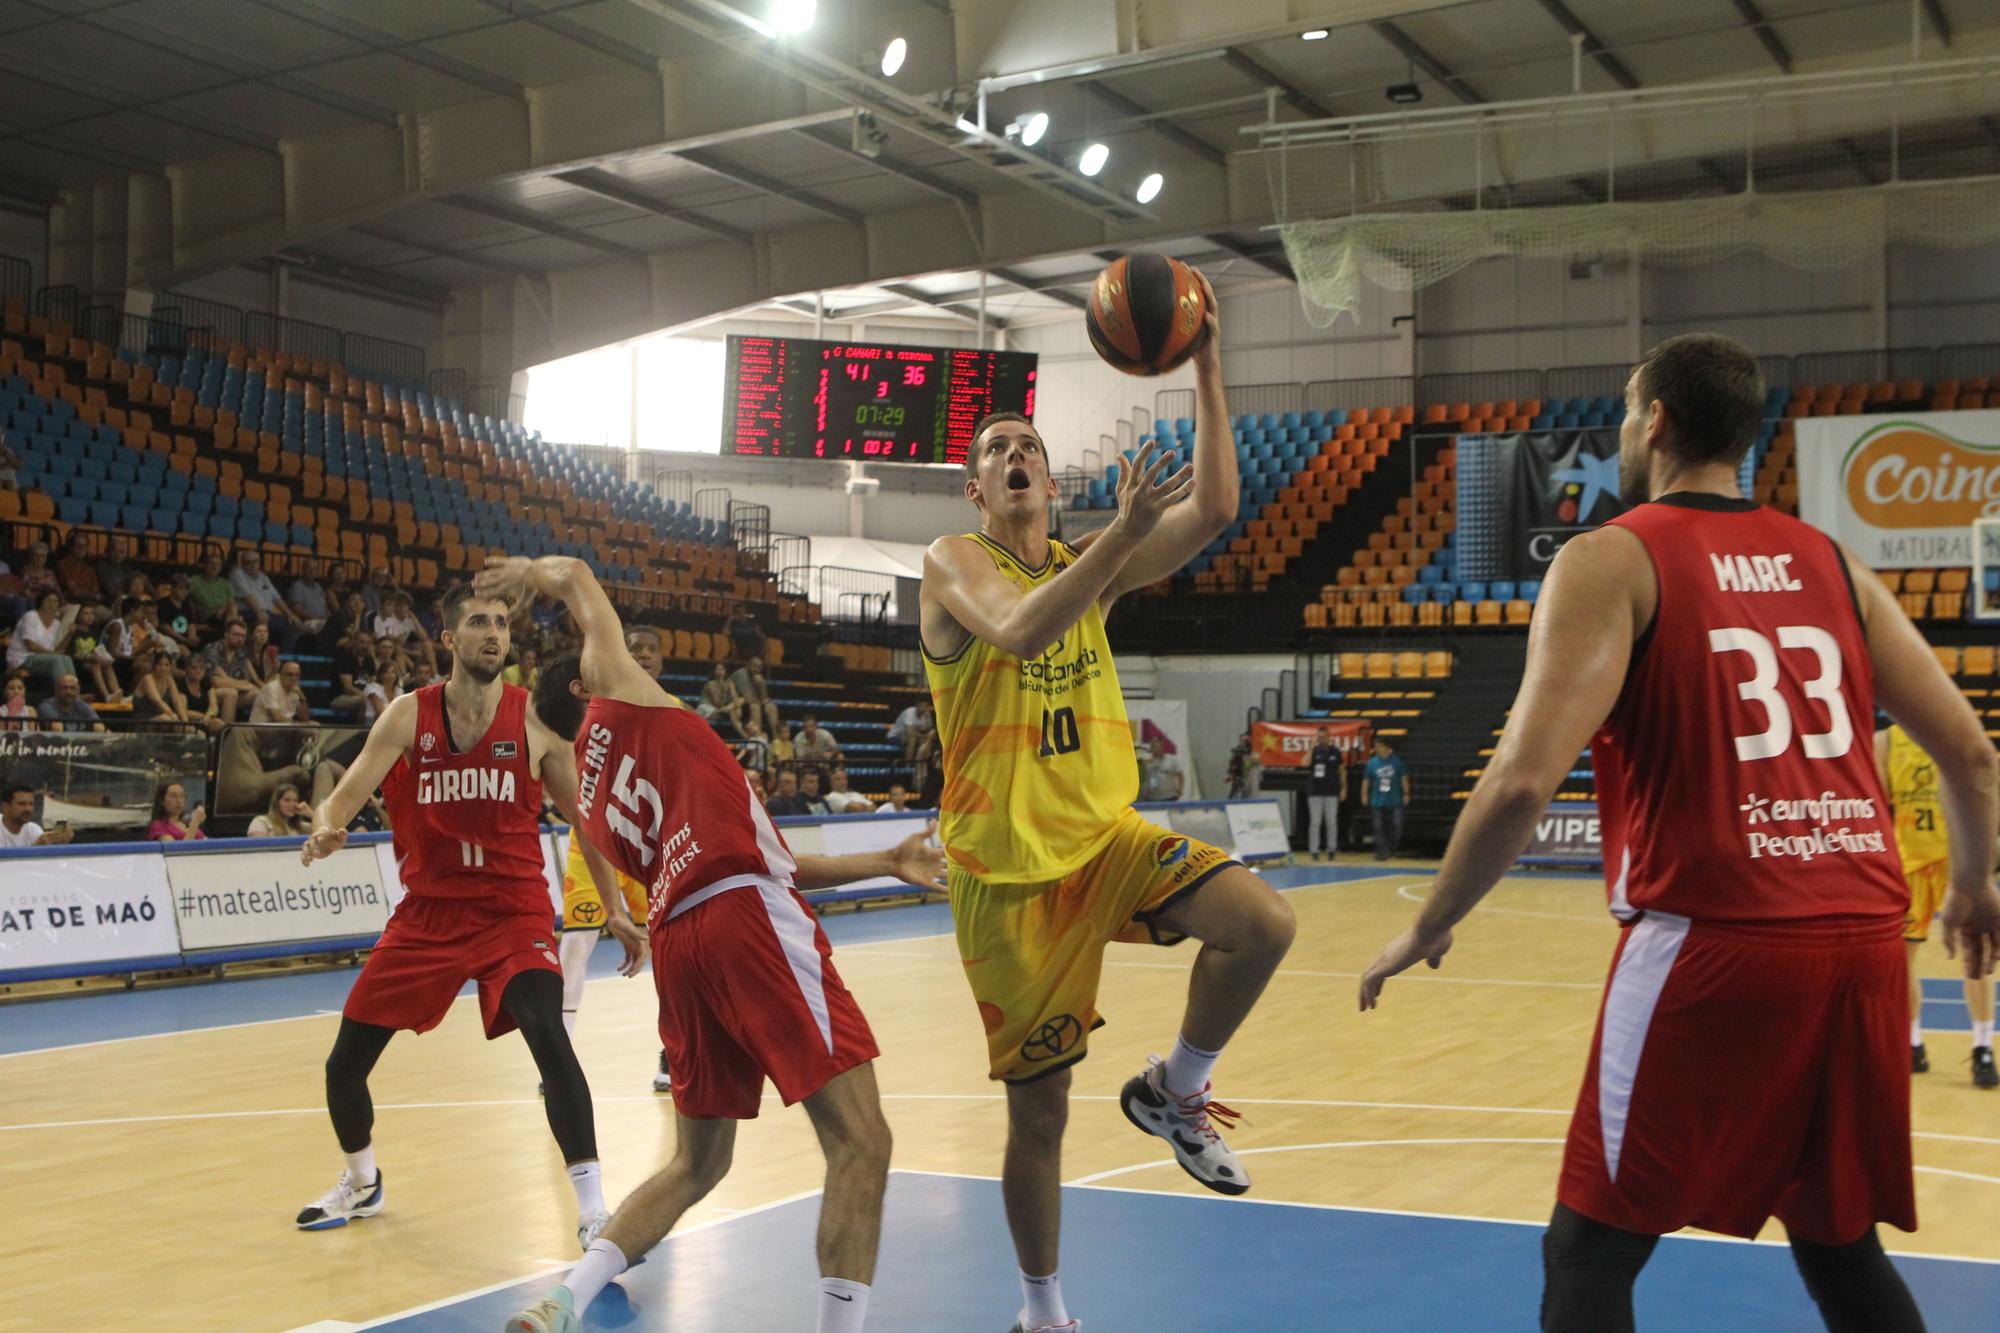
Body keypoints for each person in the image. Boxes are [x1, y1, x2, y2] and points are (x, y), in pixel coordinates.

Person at [1357, 333, 2000, 1333]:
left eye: (1624, 406)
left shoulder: (1609, 556)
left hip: (1716, 938)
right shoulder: (1827, 559)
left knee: (1587, 1249)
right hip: (1866, 944)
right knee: (1836, 1243)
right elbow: (1969, 755)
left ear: (1652, 418)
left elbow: (1524, 778)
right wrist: (1967, 886)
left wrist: (1429, 921)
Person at [917, 278, 1297, 1333]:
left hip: (1107, 842)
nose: (1013, 455)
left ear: (1049, 472)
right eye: (994, 450)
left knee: (1262, 922)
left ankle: (1173, 1086)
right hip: (1008, 882)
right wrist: (1123, 533)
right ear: (976, 489)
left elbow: (1216, 510)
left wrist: (1207, 364)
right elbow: (1023, 632)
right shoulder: (954, 562)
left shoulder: (1094, 567)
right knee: (1038, 1114)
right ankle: (1042, 1312)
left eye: (1026, 442)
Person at [476, 553, 943, 1333]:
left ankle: (566, 1297)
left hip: (683, 941)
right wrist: (533, 572)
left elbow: (770, 862)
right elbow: (582, 579)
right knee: (863, 1139)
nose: (647, 660)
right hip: (743, 921)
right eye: (634, 655)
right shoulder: (625, 699)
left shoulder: (592, 802)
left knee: (699, 1161)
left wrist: (885, 861)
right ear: (588, 684)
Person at [292, 584, 643, 1250]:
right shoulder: (406, 715)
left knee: (547, 1030)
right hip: (427, 915)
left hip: (513, 911)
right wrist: (326, 827)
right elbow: (341, 797)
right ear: (449, 640)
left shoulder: (537, 721)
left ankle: (595, 1208)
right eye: (479, 623)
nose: (494, 633)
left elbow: (588, 824)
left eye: (502, 625)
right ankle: (362, 1180)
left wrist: (616, 909)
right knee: (344, 1065)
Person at [1878, 723, 1998, 1088]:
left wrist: (1983, 864)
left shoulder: (1956, 733)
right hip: (1909, 865)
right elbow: (1878, 808)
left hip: (1957, 863)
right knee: (1903, 961)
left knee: (1975, 958)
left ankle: (1982, 1048)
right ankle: (1913, 1042)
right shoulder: (1884, 742)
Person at [556, 825, 673, 1094]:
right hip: (593, 832)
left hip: (646, 833)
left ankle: (674, 1053)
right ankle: (559, 1058)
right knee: (575, 944)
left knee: (665, 944)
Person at [196, 620, 260, 723]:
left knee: (257, 693)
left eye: (243, 636)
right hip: (206, 695)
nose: (240, 639)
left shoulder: (241, 654)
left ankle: (252, 734)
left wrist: (225, 678)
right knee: (231, 693)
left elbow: (247, 683)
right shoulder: (212, 650)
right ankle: (225, 735)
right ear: (226, 634)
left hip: (232, 696)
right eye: (236, 635)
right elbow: (215, 682)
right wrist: (236, 683)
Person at [7, 590, 77, 684]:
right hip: (23, 658)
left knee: (66, 658)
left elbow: (59, 649)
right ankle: (64, 692)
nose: (52, 604)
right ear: (41, 602)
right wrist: (53, 654)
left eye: (55, 601)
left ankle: (74, 691)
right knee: (58, 660)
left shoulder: (56, 624)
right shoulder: (30, 616)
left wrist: (69, 634)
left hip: (44, 658)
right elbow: (31, 645)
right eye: (48, 600)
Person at [1363, 737, 1409, 860]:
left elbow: (1403, 778)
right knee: (1378, 826)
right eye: (1376, 746)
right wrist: (1364, 794)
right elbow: (1366, 780)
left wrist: (1406, 793)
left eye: (1379, 746)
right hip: (1378, 799)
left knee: (1397, 824)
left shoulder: (1397, 762)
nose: (1377, 749)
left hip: (1394, 799)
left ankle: (1391, 847)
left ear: (1386, 747)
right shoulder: (1372, 763)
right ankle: (1382, 851)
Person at [70, 605, 124, 704]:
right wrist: (91, 657)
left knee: (107, 664)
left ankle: (117, 693)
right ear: (78, 617)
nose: (90, 616)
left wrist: (105, 657)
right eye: (85, 613)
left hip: (92, 660)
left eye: (92, 614)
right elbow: (72, 654)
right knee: (95, 665)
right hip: (78, 662)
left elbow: (95, 650)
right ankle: (106, 696)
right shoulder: (74, 632)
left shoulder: (93, 633)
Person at [1304, 727, 1342, 859]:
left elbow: (1342, 770)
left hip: (1331, 791)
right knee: (1315, 822)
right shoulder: (1314, 751)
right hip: (1315, 791)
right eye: (1318, 737)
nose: (1320, 740)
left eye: (1323, 737)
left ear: (1328, 737)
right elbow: (1305, 763)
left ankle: (1331, 849)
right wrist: (1310, 748)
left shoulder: (1335, 752)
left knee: (1331, 821)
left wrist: (1344, 788)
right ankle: (1314, 850)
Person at [0, 783, 73, 847]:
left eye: (31, 804)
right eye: (21, 804)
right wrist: (37, 847)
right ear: (5, 807)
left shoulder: (33, 829)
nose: (28, 809)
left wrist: (59, 844)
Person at [251, 658, 313, 725]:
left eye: (297, 675)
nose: (294, 678)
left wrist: (302, 697)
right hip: (263, 727)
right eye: (290, 674)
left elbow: (305, 718)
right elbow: (277, 718)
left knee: (315, 726)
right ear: (281, 675)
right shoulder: (271, 688)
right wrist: (295, 725)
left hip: (284, 727)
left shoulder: (295, 689)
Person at [729, 655, 780, 734]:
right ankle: (758, 738)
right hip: (735, 706)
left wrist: (761, 684)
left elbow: (764, 699)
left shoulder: (758, 678)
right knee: (755, 707)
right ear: (748, 665)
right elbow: (748, 699)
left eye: (759, 667)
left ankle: (776, 739)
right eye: (754, 665)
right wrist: (762, 702)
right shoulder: (741, 674)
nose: (756, 669)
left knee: (771, 707)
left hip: (748, 704)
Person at [53, 531, 103, 611]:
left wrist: (88, 594)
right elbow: (74, 592)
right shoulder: (63, 565)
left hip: (91, 605)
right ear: (71, 547)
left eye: (84, 546)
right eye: (78, 545)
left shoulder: (90, 570)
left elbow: (98, 594)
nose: (81, 548)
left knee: (112, 615)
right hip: (71, 604)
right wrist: (91, 594)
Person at [287, 558, 332, 645]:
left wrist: (332, 619)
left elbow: (325, 608)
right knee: (323, 625)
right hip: (305, 623)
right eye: (309, 568)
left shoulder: (318, 587)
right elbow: (296, 610)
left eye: (315, 569)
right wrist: (316, 618)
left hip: (321, 621)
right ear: (302, 569)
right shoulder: (297, 586)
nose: (312, 571)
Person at [188, 548, 237, 626]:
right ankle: (231, 632)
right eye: (211, 563)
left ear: (221, 568)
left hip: (225, 614)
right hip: (207, 616)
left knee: (237, 616)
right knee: (236, 619)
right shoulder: (194, 581)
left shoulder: (226, 583)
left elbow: (232, 603)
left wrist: (224, 609)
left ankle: (231, 630)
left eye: (218, 564)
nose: (215, 567)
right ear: (205, 565)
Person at [37, 674, 101, 732]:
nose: (68, 692)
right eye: (64, 688)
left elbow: (99, 727)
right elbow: (57, 729)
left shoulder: (81, 705)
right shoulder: (47, 706)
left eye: (72, 688)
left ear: (78, 690)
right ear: (56, 689)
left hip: (83, 743)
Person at [249, 783, 315, 838]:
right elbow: (259, 848)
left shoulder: (301, 827)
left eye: (295, 800)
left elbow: (324, 829)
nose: (292, 804)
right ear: (276, 803)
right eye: (287, 800)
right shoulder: (261, 822)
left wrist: (310, 814)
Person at [696, 662, 743, 734]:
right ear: (714, 671)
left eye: (722, 669)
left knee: (740, 701)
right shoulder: (710, 684)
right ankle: (744, 734)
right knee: (731, 709)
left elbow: (735, 698)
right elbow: (717, 704)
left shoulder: (729, 683)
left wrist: (737, 707)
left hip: (721, 709)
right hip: (707, 707)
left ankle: (744, 735)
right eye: (717, 669)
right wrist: (723, 691)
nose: (719, 671)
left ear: (725, 671)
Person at [1139, 737, 1184, 802]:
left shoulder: (1171, 760)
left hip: (1170, 797)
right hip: (1151, 798)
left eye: (1159, 746)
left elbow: (1180, 776)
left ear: (1163, 747)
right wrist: (1145, 761)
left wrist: (1180, 788)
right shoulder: (1145, 760)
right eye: (1154, 747)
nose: (1156, 749)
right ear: (1151, 749)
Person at [1226, 730, 1262, 800]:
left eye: (1245, 740)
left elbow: (1256, 760)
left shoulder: (1254, 749)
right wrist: (1231, 773)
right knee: (1237, 791)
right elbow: (1233, 762)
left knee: (1250, 791)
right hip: (1240, 774)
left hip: (1250, 774)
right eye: (1242, 740)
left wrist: (1248, 758)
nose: (1243, 741)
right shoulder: (1238, 750)